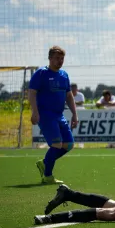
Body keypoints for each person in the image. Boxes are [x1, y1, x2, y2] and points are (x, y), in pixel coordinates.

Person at [29, 45, 78, 184]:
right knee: (56, 144)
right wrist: (35, 112)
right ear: (50, 58)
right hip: (45, 115)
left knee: (68, 145)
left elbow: (69, 96)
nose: (60, 61)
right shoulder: (41, 73)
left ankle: (44, 163)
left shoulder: (64, 75)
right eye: (57, 58)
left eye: (62, 58)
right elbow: (32, 93)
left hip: (59, 115)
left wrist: (75, 114)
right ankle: (47, 176)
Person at [71, 83, 85, 148]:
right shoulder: (68, 95)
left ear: (77, 89)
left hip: (81, 114)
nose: (73, 90)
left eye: (74, 88)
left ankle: (81, 144)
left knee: (81, 129)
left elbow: (81, 102)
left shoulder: (80, 95)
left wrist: (72, 103)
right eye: (72, 88)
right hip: (70, 114)